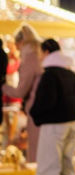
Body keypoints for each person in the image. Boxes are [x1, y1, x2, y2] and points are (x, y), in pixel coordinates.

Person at [30, 39, 75, 175]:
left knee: (48, 169)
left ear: (45, 51)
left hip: (53, 126)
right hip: (71, 124)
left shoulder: (50, 75)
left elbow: (45, 102)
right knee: (68, 169)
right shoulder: (70, 73)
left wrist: (34, 114)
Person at [14, 24, 42, 162]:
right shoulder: (38, 53)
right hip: (40, 108)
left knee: (35, 151)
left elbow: (21, 89)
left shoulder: (30, 56)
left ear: (21, 43)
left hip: (36, 108)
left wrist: (4, 88)